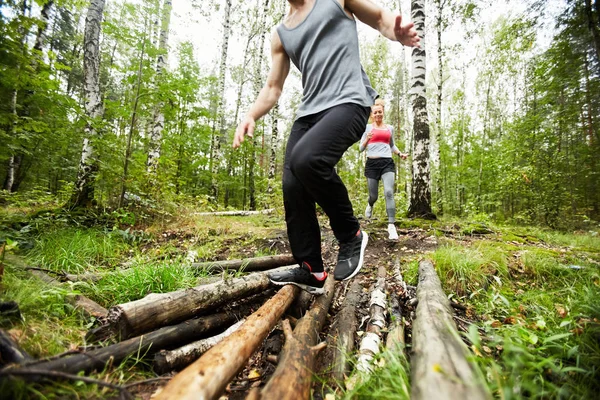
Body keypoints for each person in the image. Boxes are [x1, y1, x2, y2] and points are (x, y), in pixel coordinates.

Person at [233, 0, 420, 294]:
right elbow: (273, 87)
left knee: (307, 159)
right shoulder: (280, 33)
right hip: (309, 112)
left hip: (350, 102)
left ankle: (351, 234)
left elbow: (381, 18)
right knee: (293, 182)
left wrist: (395, 32)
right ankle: (311, 268)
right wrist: (251, 114)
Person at [359, 99, 407, 240]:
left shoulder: (389, 128)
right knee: (373, 195)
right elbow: (361, 148)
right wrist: (367, 139)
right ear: (372, 114)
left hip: (387, 163)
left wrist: (400, 154)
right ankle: (370, 204)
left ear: (383, 112)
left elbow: (392, 146)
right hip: (372, 164)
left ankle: (391, 226)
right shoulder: (367, 128)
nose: (378, 114)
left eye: (380, 111)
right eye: (375, 112)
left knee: (389, 192)